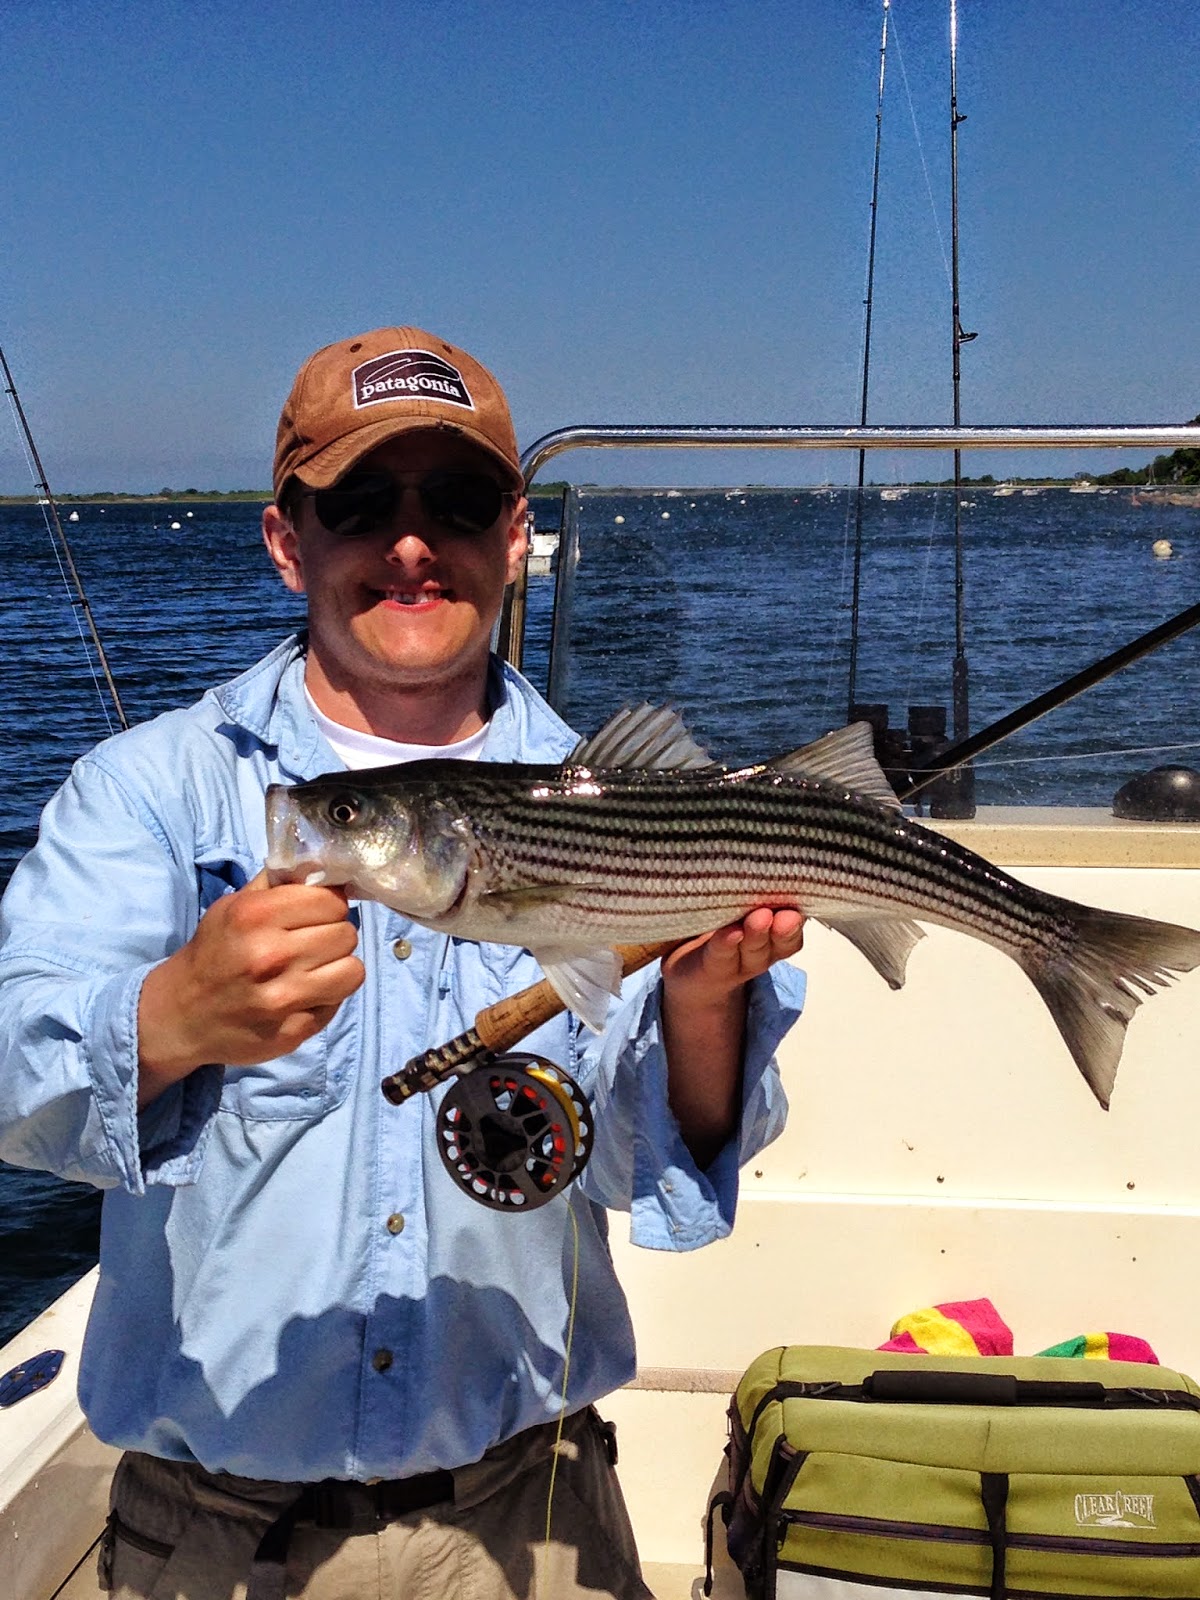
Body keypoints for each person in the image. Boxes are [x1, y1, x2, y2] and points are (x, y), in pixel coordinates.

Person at [0, 325, 807, 1600]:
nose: (413, 542)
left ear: (516, 531)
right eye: (362, 502)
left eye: (461, 500)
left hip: (532, 1520)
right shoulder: (151, 792)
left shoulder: (629, 804)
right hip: (208, 1538)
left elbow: (661, 1167)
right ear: (287, 540)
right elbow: (11, 1088)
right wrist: (170, 1016)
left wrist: (706, 1004)